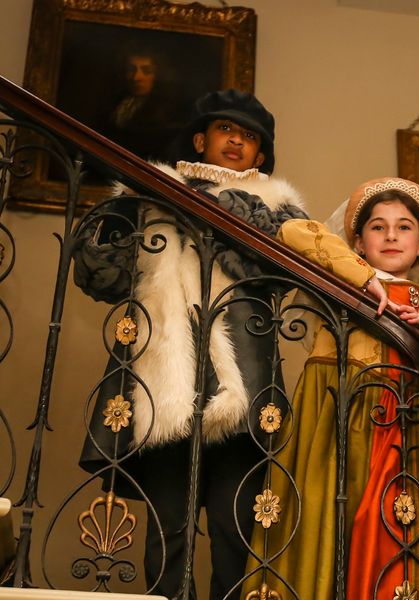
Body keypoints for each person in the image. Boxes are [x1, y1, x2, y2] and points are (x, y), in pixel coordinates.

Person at [74, 89, 319, 599]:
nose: (238, 141)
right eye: (228, 130)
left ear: (261, 156)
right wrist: (118, 217)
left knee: (236, 534)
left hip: (242, 381)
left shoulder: (277, 209)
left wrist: (203, 206)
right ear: (201, 138)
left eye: (251, 137)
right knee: (169, 532)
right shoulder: (148, 193)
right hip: (162, 378)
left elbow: (273, 273)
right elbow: (102, 278)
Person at [243, 177, 419, 600]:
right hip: (336, 409)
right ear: (358, 243)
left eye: (404, 227)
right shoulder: (344, 277)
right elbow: (292, 231)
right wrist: (361, 279)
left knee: (398, 523)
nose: (392, 235)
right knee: (326, 514)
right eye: (378, 227)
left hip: (407, 416)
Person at [102, 48, 181, 161]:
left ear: (157, 75)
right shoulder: (116, 99)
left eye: (147, 71)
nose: (136, 77)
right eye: (131, 69)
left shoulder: (166, 110)